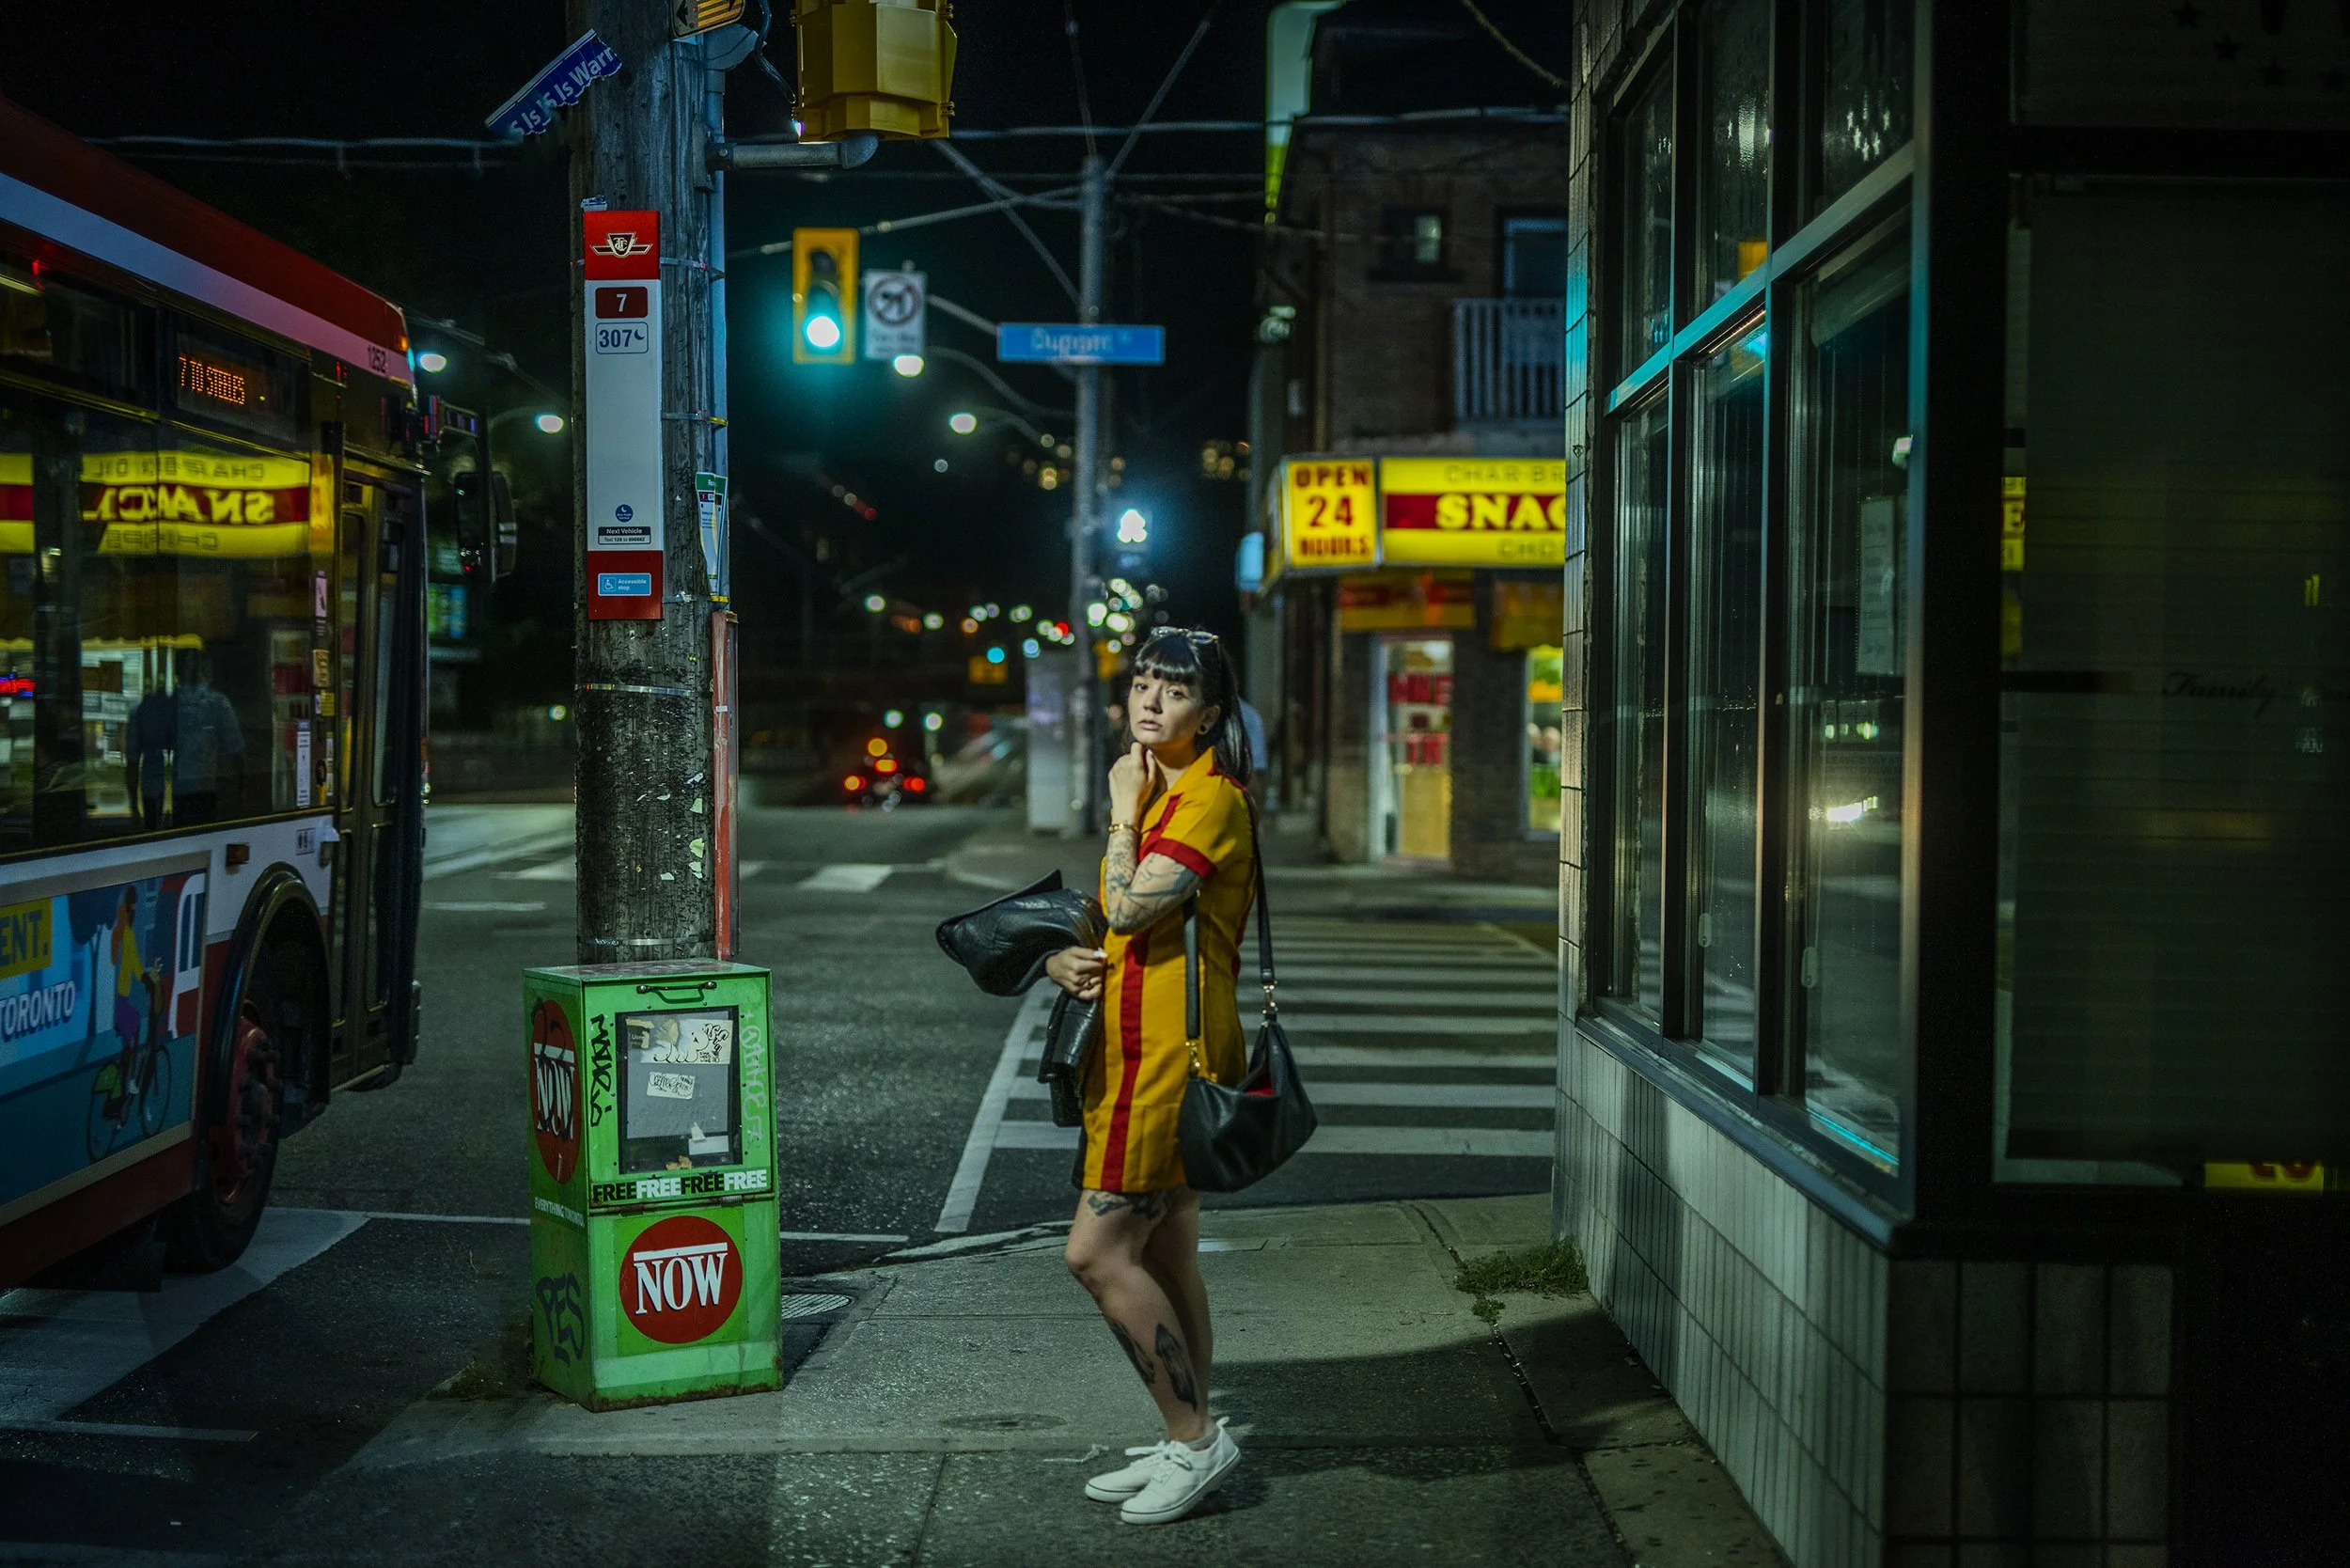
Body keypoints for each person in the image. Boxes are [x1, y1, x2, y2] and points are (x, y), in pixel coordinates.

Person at [1043, 626, 1255, 1526]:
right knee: (1168, 1253)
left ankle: (1199, 1441)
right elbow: (1110, 922)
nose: (1150, 700)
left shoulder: (1208, 800)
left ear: (1207, 717)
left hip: (1170, 1062)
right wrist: (1064, 960)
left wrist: (1123, 808)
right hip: (1130, 1048)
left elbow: (1132, 905)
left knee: (1094, 1254)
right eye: (1142, 682)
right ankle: (1186, 1434)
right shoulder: (1168, 793)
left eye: (1173, 691)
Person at [126, 649, 243, 827]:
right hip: (193, 792)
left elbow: (133, 761)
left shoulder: (214, 703)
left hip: (175, 795)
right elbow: (236, 752)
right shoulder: (215, 703)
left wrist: (134, 807)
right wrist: (239, 798)